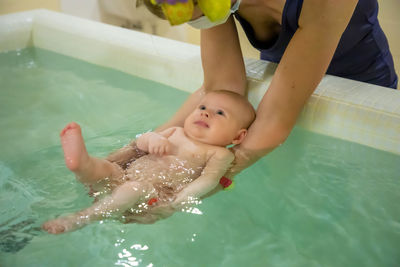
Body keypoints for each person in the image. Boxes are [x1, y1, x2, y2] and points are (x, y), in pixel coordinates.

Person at [140, 0, 398, 178]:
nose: (203, 23)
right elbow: (221, 88)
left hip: (358, 83)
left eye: (204, 14)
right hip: (283, 76)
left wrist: (192, 182)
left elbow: (275, 119)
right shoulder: (212, 4)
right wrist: (137, 151)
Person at [42, 90, 255, 234]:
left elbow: (209, 179)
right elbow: (141, 141)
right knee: (107, 168)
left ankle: (80, 218)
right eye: (202, 107)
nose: (206, 113)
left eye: (219, 113)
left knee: (134, 188)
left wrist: (183, 198)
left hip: (154, 196)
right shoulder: (175, 131)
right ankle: (82, 165)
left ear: (237, 137)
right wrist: (152, 139)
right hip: (123, 177)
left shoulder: (219, 154)